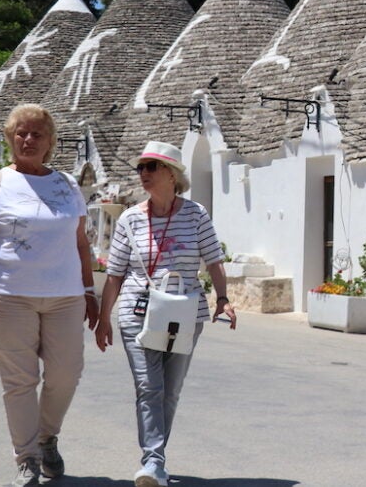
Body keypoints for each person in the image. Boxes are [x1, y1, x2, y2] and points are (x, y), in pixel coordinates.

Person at [95, 141, 236, 487]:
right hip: (136, 311)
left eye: (151, 167)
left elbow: (214, 260)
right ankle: (153, 462)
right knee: (149, 387)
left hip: (184, 314)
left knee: (170, 391)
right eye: (141, 168)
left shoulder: (196, 214)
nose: (143, 174)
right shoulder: (129, 219)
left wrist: (223, 298)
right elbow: (114, 274)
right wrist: (103, 319)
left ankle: (155, 457)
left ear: (172, 175)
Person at [0, 103, 99, 487]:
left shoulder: (67, 184)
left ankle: (47, 436)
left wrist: (89, 291)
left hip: (66, 296)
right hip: (7, 297)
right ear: (10, 137)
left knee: (66, 374)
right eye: (21, 132)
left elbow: (81, 243)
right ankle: (28, 458)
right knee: (19, 381)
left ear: (50, 141)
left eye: (37, 133)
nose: (28, 139)